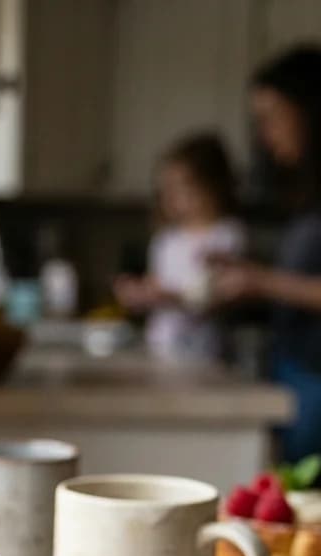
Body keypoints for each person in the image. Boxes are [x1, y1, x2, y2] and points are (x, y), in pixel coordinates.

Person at [210, 45, 321, 462]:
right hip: (294, 374)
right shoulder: (307, 194)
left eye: (272, 117)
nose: (264, 134)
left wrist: (260, 280)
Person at [115, 133, 245, 362]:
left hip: (205, 353)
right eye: (166, 189)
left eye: (181, 188)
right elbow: (157, 283)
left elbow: (216, 298)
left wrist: (168, 297)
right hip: (160, 347)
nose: (171, 198)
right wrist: (140, 294)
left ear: (211, 187)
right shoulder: (166, 240)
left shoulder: (227, 235)